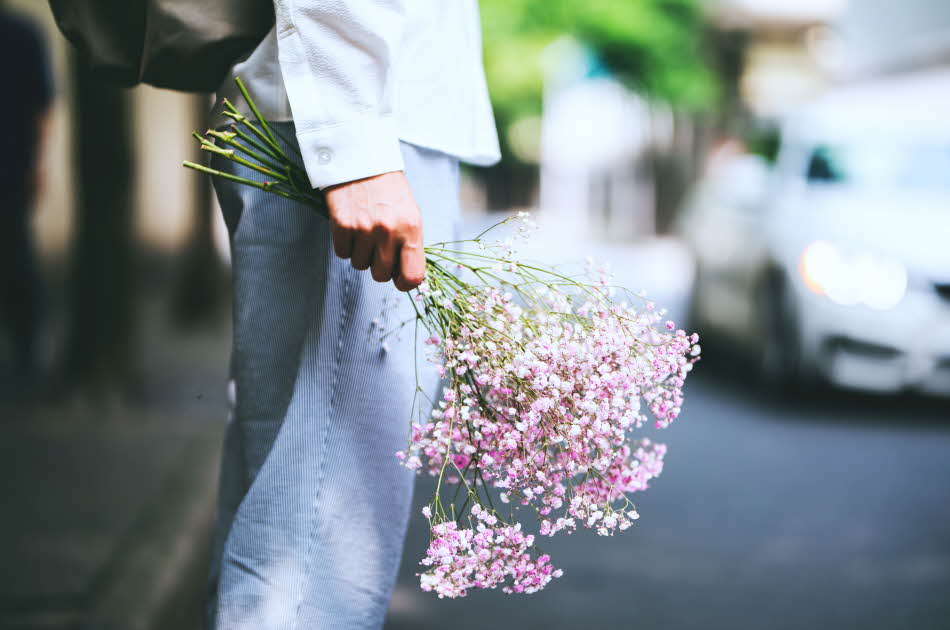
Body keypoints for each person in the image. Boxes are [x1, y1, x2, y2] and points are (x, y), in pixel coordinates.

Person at [205, 2, 499, 628]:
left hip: (347, 114)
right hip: (362, 124)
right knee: (314, 558)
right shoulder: (362, 136)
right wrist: (358, 145)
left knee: (284, 512)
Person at [0, 5, 53, 394]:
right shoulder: (24, 33)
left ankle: (25, 354)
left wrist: (37, 163)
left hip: (13, 163)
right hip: (17, 162)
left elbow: (43, 105)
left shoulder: (22, 34)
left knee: (16, 255)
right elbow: (44, 105)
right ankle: (25, 355)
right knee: (17, 255)